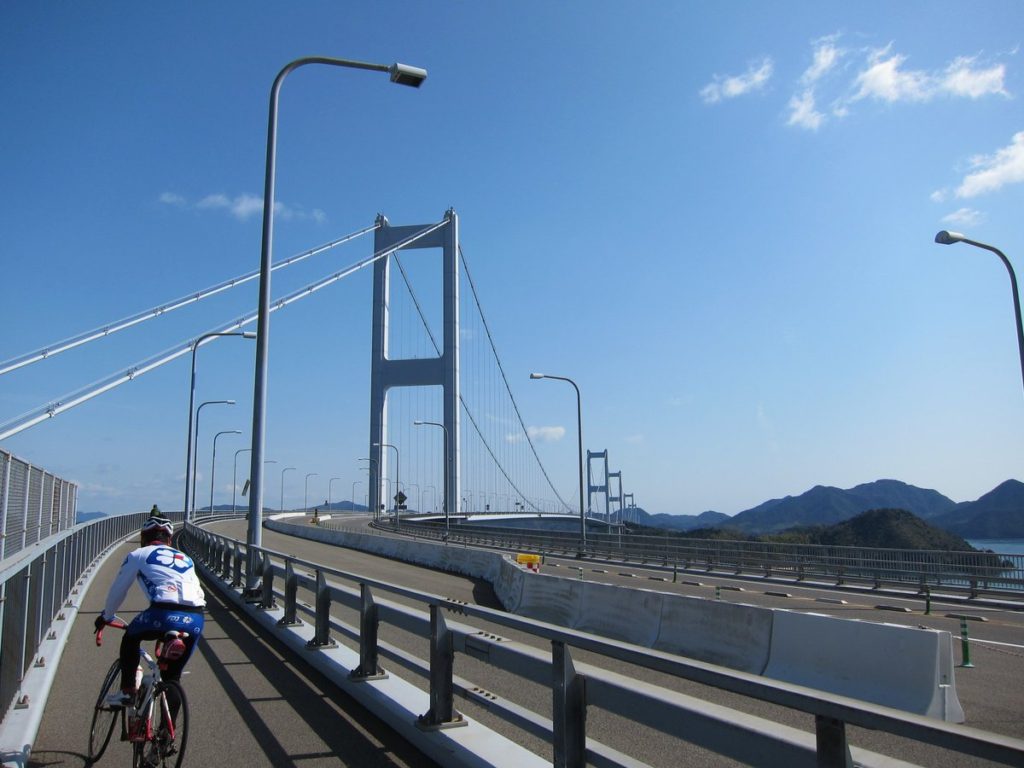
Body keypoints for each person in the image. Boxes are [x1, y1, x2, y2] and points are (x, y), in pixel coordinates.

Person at [94, 516, 206, 708]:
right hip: (195, 617)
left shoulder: (138, 554)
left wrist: (106, 616)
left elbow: (118, 591)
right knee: (172, 678)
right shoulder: (186, 558)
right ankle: (165, 734)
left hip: (162, 613)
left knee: (130, 638)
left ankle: (127, 691)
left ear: (143, 538)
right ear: (170, 541)